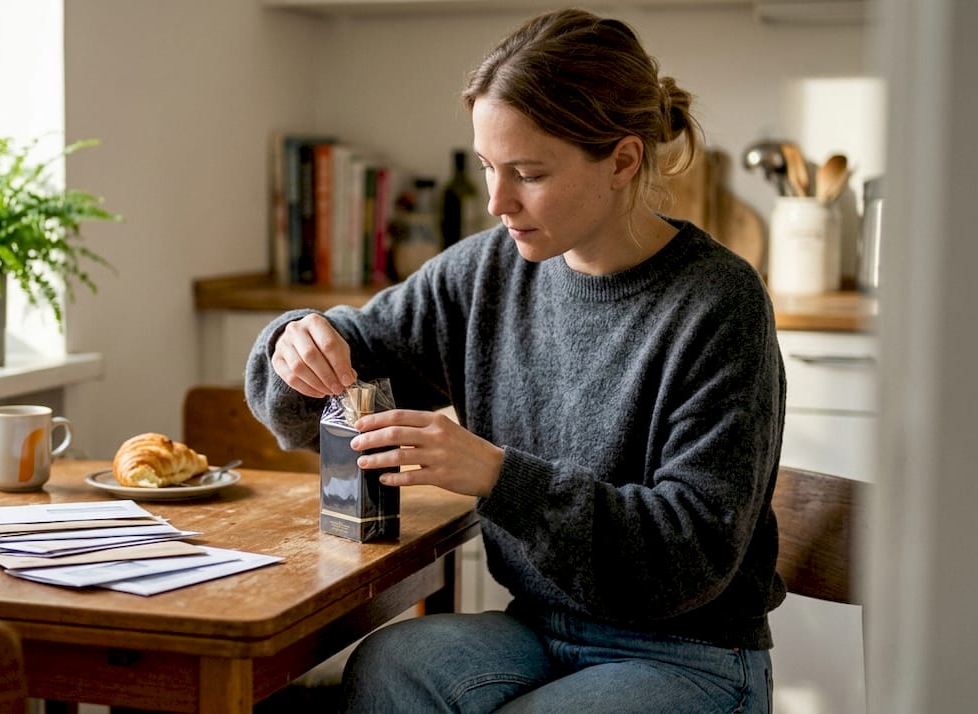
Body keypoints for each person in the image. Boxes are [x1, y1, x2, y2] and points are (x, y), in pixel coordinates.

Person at [244, 7, 785, 713]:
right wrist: (295, 342)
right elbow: (339, 365)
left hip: (696, 654)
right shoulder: (489, 271)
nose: (498, 202)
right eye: (488, 167)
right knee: (392, 666)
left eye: (529, 172)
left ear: (622, 160)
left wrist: (501, 477)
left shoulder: (718, 304)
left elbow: (690, 555)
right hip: (538, 627)